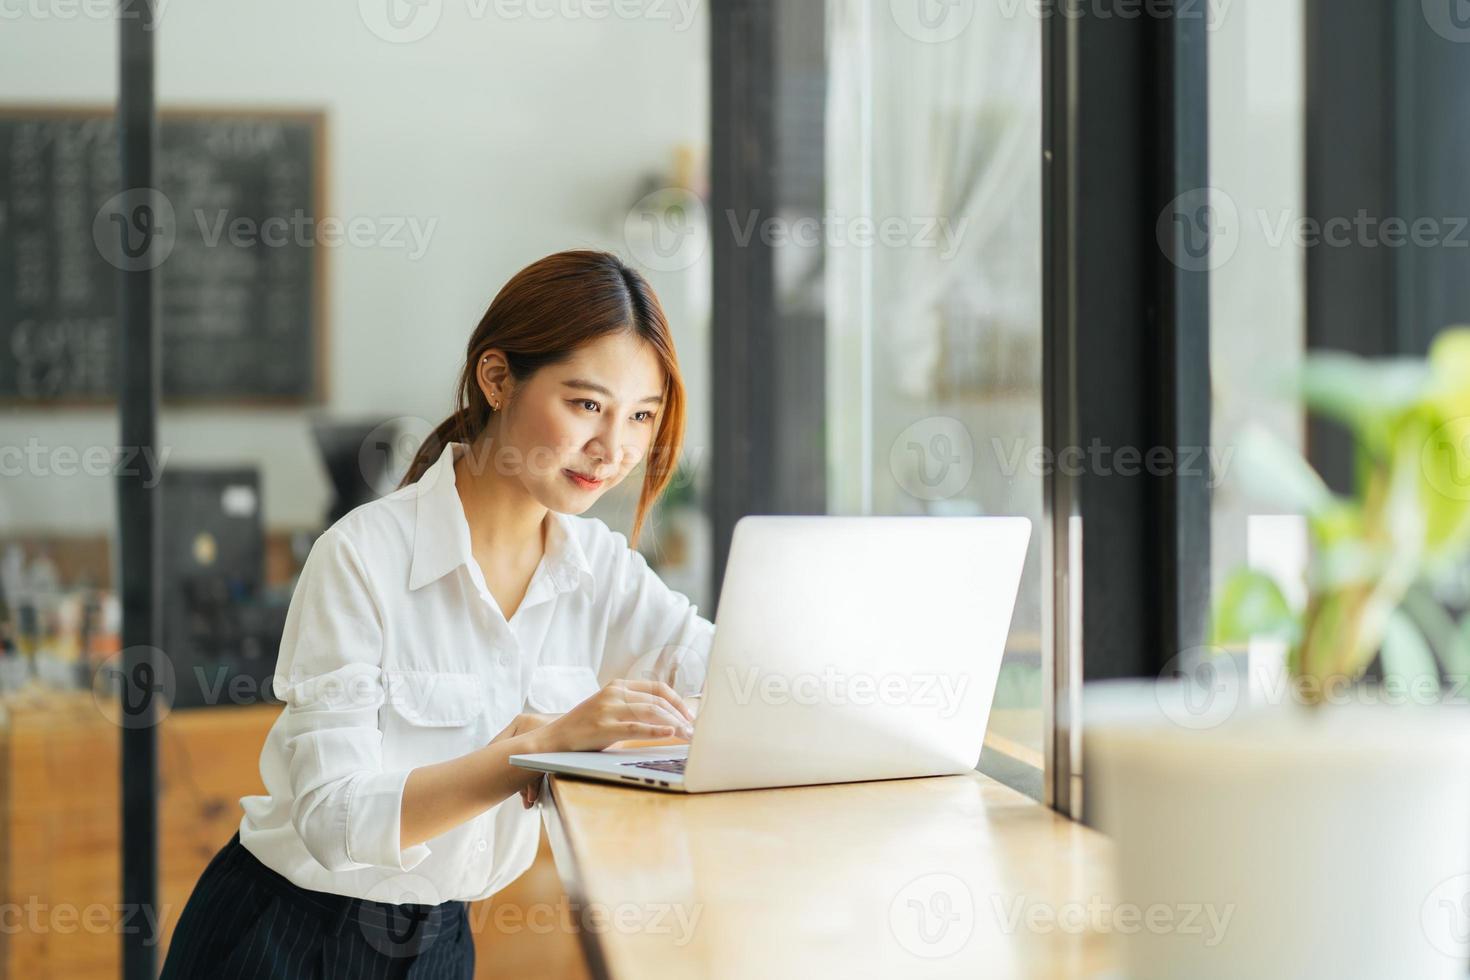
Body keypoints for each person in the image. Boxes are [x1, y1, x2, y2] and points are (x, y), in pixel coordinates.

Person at [161, 249, 713, 979]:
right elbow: (333, 819)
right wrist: (539, 748)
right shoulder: (362, 555)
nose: (614, 448)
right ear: (496, 378)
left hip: (442, 944)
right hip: (289, 936)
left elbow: (731, 680)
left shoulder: (599, 567)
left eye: (642, 416)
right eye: (587, 405)